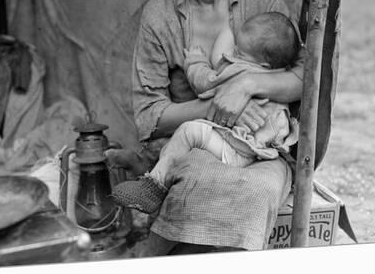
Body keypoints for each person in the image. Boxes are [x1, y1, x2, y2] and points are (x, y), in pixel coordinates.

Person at [126, 0, 304, 253]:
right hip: (197, 147)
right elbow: (148, 116)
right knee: (198, 183)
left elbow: (305, 78)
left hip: (262, 150)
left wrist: (247, 86)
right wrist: (217, 103)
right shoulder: (160, 14)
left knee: (256, 192)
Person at [113, 12, 300, 213]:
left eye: (240, 53)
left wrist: (194, 60)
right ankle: (147, 170)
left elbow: (204, 81)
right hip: (261, 150)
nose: (233, 54)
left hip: (238, 150)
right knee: (184, 146)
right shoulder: (280, 76)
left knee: (188, 132)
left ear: (262, 64)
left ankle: (152, 188)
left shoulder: (240, 72)